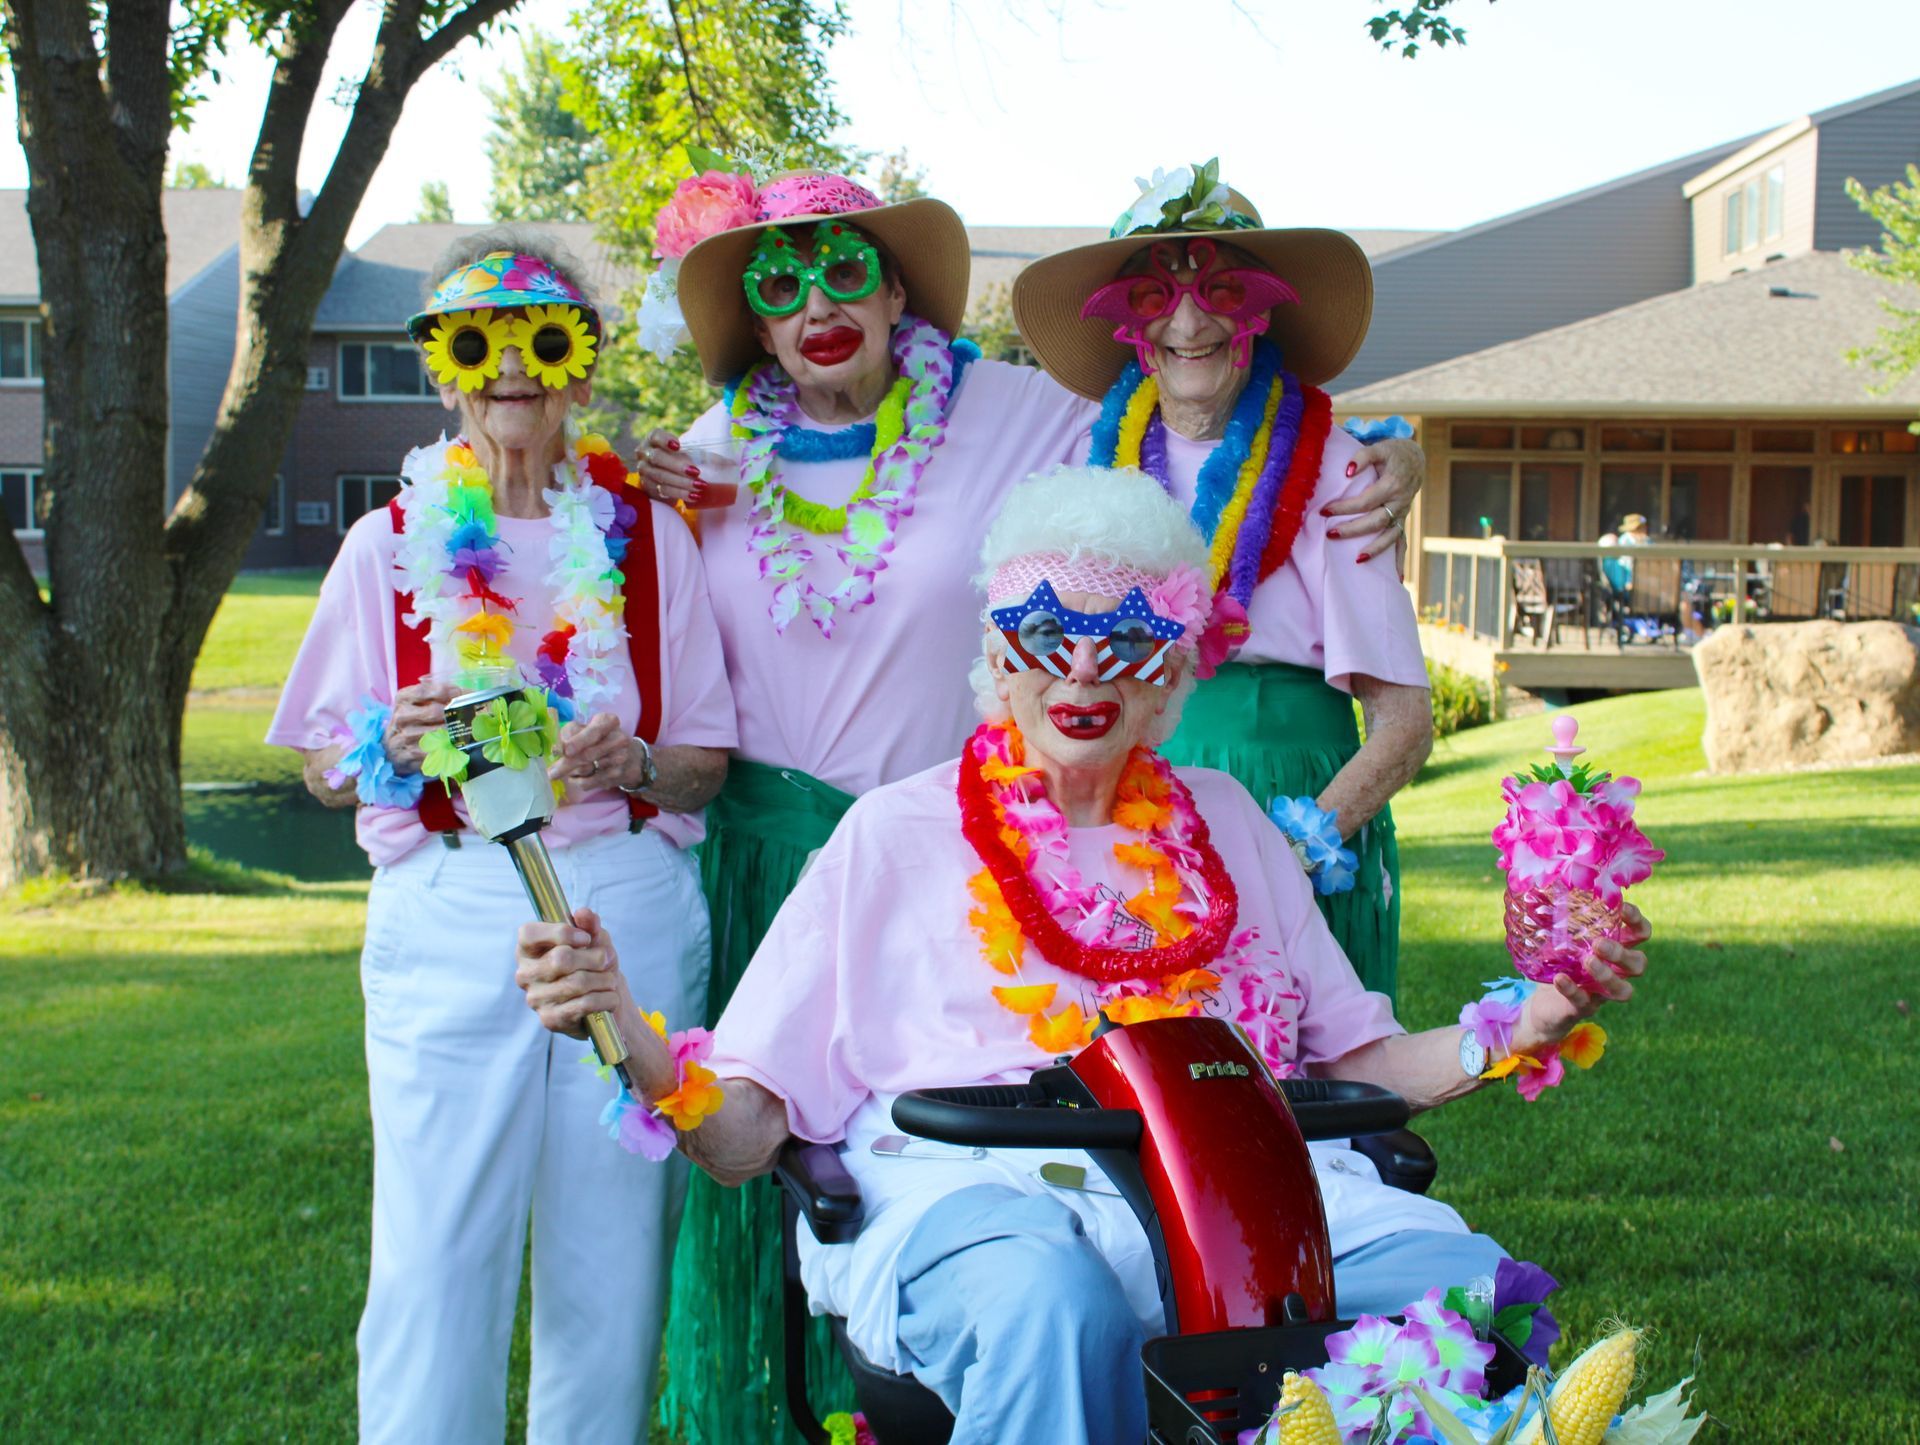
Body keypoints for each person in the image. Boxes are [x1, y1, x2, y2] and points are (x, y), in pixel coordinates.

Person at [514, 466, 1651, 1445]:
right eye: (1048, 634)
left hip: (1248, 1189)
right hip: (979, 1187)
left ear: (1172, 670)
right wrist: (631, 1034)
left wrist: (1525, 1021)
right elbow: (750, 1127)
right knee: (1054, 1298)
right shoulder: (894, 831)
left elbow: (1363, 1063)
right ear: (998, 659)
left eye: (1130, 639)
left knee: (1453, 1292)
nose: (1085, 670)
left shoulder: (1234, 825)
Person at [627, 165, 1428, 1437]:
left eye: (846, 266)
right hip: (823, 850)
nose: (817, 300)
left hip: (1087, 823)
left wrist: (1385, 445)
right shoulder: (700, 457)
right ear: (752, 317)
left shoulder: (1023, 413)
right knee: (834, 1143)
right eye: (779, 280)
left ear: (898, 289)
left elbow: (1189, 420)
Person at [266, 226, 738, 1444]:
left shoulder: (648, 542)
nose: (510, 370)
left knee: (612, 1247)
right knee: (435, 1246)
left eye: (542, 338)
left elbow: (703, 765)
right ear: (443, 368)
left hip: (622, 899)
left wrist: (630, 760)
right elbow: (323, 763)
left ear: (578, 362)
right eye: (478, 343)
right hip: (453, 902)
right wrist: (384, 736)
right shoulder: (387, 546)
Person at [1013, 163, 1431, 1003]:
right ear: (1127, 326)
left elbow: (1403, 722)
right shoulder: (1089, 464)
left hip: (1292, 798)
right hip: (1122, 812)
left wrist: (1294, 848)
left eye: (1220, 289)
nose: (1189, 320)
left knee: (1301, 1099)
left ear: (1264, 310)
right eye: (1156, 296)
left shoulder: (1339, 468)